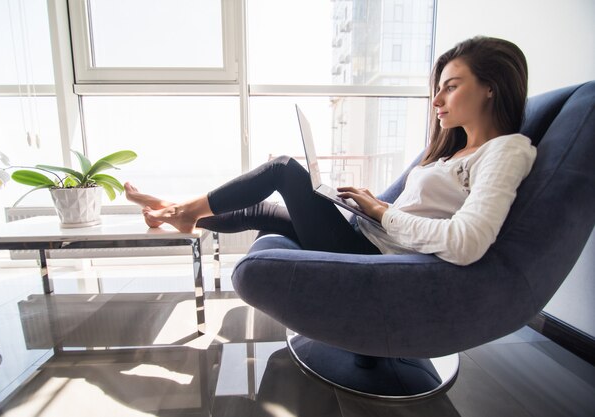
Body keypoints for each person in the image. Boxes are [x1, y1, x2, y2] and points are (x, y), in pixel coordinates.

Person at [125, 36, 536, 266]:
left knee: (284, 169)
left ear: (490, 87)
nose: (437, 100)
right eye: (439, 87)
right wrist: (374, 205)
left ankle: (182, 212)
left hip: (372, 252)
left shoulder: (506, 151)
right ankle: (178, 210)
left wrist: (381, 212)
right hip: (368, 234)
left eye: (451, 86)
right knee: (262, 211)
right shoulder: (457, 151)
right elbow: (425, 211)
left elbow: (466, 242)